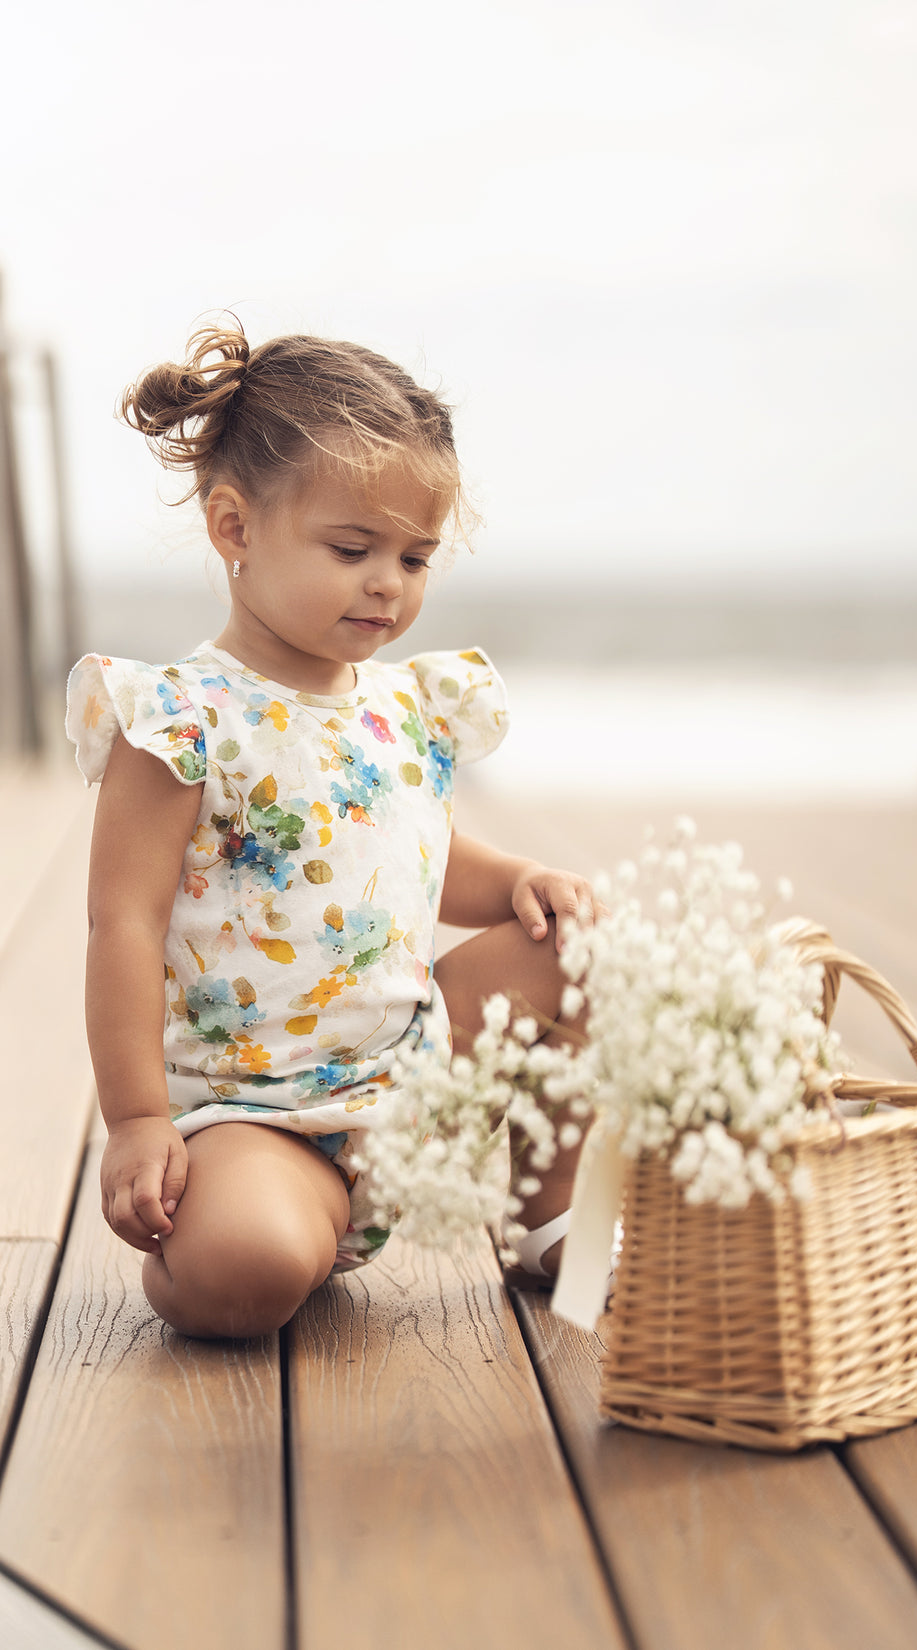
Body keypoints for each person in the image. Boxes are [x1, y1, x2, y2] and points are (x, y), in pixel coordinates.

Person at [66, 322, 593, 1339]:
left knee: (577, 948)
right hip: (253, 1117)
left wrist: (518, 879)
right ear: (233, 529)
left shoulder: (402, 706)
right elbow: (120, 924)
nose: (387, 583)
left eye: (413, 555)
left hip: (412, 1088)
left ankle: (544, 1212)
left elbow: (405, 861)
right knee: (249, 1271)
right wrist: (136, 1120)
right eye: (351, 550)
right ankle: (235, 1244)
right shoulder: (179, 720)